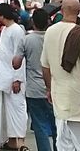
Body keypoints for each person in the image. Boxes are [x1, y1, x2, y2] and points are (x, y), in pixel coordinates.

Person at [40, 0, 80, 151]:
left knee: (63, 140)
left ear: (62, 10)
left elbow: (45, 67)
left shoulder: (50, 32)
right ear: (79, 12)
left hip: (59, 94)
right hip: (78, 97)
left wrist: (48, 89)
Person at [0, 3, 28, 151]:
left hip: (12, 77)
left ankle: (19, 141)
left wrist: (17, 78)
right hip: (2, 76)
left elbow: (19, 56)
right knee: (5, 111)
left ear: (2, 15)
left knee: (17, 109)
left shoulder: (16, 30)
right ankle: (10, 140)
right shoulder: (5, 30)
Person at [22, 8, 56, 151]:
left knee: (39, 124)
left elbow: (16, 62)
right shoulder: (53, 38)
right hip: (53, 87)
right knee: (56, 124)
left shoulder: (27, 40)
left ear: (33, 22)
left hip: (34, 88)